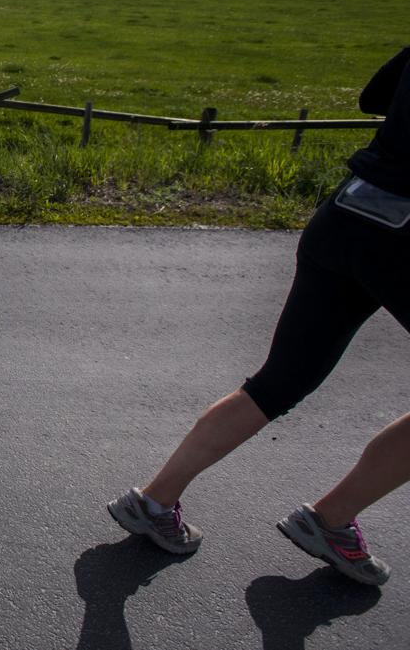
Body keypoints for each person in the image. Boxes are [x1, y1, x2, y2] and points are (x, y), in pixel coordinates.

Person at [108, 45, 410, 586]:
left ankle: (154, 501)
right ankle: (332, 519)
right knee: (281, 381)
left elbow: (374, 98)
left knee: (277, 382)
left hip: (348, 214)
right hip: (404, 233)